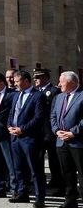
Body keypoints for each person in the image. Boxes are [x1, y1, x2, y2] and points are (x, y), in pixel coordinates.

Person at [6, 70, 47, 207]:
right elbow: (12, 113)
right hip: (15, 138)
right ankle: (22, 193)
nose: (14, 83)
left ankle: (39, 197)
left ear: (26, 81)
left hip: (30, 139)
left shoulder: (38, 96)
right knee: (18, 168)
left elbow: (39, 117)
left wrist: (22, 129)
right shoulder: (16, 95)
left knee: (35, 169)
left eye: (17, 81)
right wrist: (10, 126)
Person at [51, 71, 83, 208]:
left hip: (78, 141)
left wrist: (73, 133)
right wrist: (57, 130)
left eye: (61, 82)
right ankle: (70, 200)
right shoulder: (58, 97)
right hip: (61, 141)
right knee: (67, 172)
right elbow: (52, 116)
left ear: (71, 82)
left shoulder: (81, 96)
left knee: (82, 173)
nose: (58, 84)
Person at [34, 68, 64, 196]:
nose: (36, 80)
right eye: (35, 77)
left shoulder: (54, 91)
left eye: (39, 77)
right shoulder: (35, 92)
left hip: (49, 131)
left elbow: (55, 112)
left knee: (53, 159)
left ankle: (57, 182)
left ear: (46, 78)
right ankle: (41, 182)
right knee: (38, 158)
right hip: (37, 131)